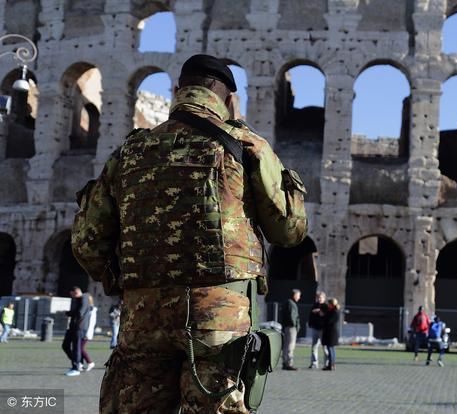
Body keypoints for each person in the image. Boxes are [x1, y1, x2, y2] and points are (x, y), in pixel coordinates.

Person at [71, 54, 308, 413]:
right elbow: (289, 232)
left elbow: (86, 242)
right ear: (228, 99)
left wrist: (125, 282)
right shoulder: (246, 147)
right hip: (219, 315)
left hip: (143, 314)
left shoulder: (129, 153)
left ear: (178, 90)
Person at [62, 286, 90, 376]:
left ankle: (76, 368)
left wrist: (69, 313)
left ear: (76, 292)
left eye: (72, 294)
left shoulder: (84, 299)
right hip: (73, 326)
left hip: (79, 327)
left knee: (76, 348)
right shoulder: (78, 300)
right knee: (65, 345)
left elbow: (79, 313)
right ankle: (78, 363)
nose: (72, 297)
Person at [282, 289, 301, 370]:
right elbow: (292, 316)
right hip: (291, 327)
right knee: (290, 346)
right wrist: (295, 325)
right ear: (294, 295)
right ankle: (289, 363)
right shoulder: (291, 303)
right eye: (298, 295)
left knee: (286, 345)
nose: (299, 297)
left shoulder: (288, 302)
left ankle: (285, 362)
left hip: (287, 326)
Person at [308, 291, 327, 369]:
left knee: (325, 347)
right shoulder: (314, 306)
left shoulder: (326, 306)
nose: (319, 299)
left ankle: (327, 363)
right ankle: (314, 363)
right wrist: (310, 324)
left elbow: (326, 316)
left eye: (321, 297)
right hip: (315, 328)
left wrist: (319, 311)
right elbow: (310, 316)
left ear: (324, 298)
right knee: (314, 347)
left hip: (323, 329)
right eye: (318, 297)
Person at [321, 298, 340, 371]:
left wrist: (323, 316)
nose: (327, 305)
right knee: (331, 349)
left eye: (328, 304)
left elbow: (329, 321)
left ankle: (331, 365)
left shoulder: (334, 312)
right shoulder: (332, 311)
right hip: (330, 332)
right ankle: (331, 364)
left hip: (331, 333)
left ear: (331, 304)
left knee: (330, 349)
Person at [80, 294, 97, 372]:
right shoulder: (86, 308)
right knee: (78, 348)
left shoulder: (92, 310)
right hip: (82, 330)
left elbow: (91, 323)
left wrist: (87, 333)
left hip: (86, 332)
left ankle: (90, 362)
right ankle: (80, 363)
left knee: (81, 348)